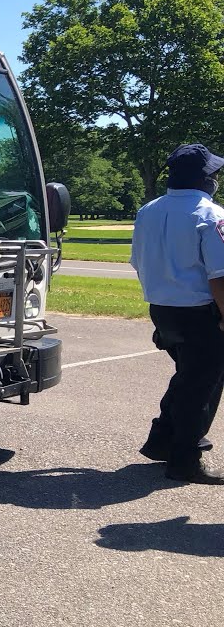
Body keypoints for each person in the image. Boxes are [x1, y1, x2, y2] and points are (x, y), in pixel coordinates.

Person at [131, 144, 224, 484]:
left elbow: (138, 263)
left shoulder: (148, 211)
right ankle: (184, 458)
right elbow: (219, 276)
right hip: (201, 312)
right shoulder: (211, 215)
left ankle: (162, 441)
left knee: (188, 376)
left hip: (162, 310)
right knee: (202, 385)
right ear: (205, 179)